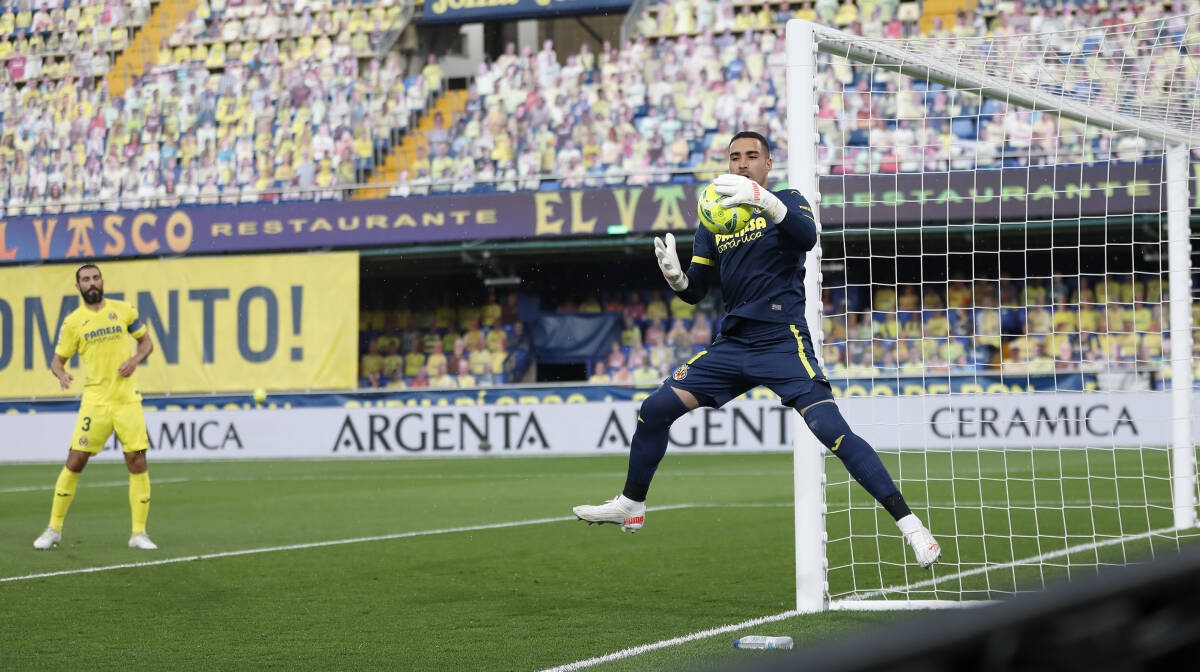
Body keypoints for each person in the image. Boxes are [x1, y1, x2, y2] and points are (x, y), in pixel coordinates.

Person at [572, 131, 941, 568]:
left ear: (767, 164)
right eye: (734, 157)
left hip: (781, 339)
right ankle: (632, 505)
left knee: (831, 431)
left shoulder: (788, 200)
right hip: (733, 344)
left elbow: (806, 237)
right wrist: (677, 280)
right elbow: (697, 291)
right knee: (654, 410)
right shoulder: (713, 217)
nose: (742, 163)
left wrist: (766, 201)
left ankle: (912, 527)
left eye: (752, 156)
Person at [34, 263, 158, 551]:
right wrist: (61, 373)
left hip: (127, 399)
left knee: (137, 460)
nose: (92, 283)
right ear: (78, 287)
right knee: (76, 459)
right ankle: (54, 529)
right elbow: (57, 360)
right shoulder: (73, 322)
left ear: (102, 281)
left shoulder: (123, 310)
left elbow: (147, 343)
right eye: (86, 280)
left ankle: (138, 533)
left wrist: (134, 360)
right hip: (96, 402)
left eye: (95, 278)